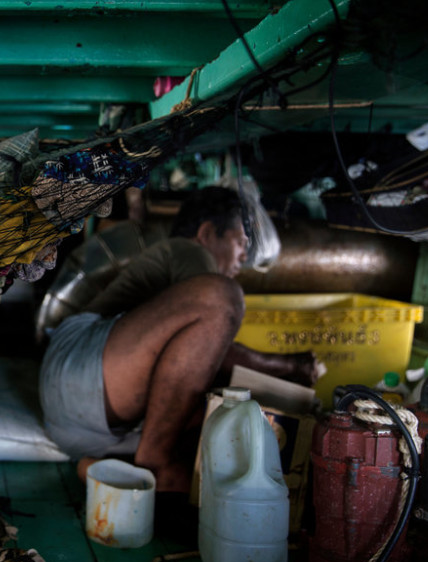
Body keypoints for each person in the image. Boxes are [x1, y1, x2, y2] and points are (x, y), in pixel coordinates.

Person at [39, 186, 317, 495]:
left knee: (216, 418)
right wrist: (291, 364)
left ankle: (117, 468)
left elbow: (195, 361)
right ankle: (154, 461)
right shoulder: (189, 250)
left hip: (83, 424)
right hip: (78, 368)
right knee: (222, 297)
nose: (243, 256)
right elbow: (217, 345)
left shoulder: (180, 274)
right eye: (239, 242)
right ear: (207, 232)